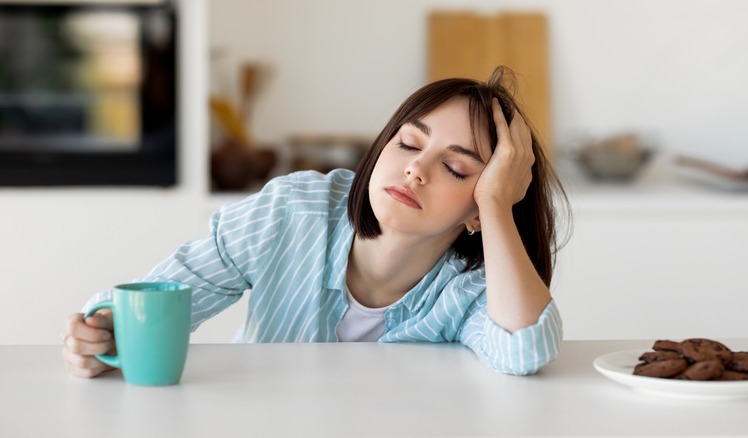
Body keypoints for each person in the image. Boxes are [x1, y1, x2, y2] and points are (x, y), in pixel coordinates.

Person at [62, 66, 569, 378]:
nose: (416, 168)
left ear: (481, 203)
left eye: (456, 168)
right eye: (408, 143)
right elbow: (156, 301)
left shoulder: (473, 288)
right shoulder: (293, 210)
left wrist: (499, 207)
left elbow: (523, 348)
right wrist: (103, 333)